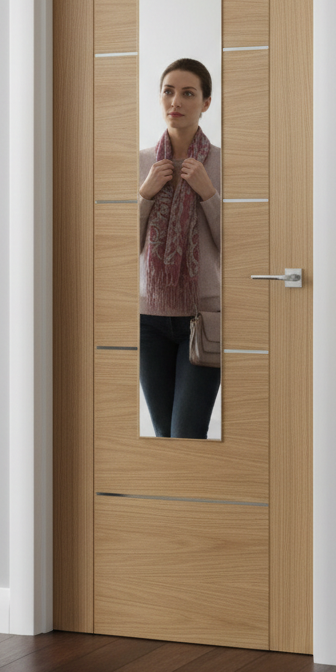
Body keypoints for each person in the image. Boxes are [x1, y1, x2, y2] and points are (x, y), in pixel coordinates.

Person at [138, 58, 221, 439]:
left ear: (206, 103)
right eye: (169, 91)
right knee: (162, 436)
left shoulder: (223, 164)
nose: (177, 101)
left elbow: (238, 248)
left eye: (189, 93)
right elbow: (120, 249)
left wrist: (208, 194)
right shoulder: (141, 164)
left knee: (186, 433)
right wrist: (145, 196)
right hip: (148, 318)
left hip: (201, 316)